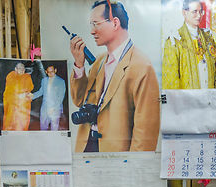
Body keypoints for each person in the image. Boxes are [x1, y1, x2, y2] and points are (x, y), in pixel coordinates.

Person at [69, 0, 161, 152]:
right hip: (87, 147)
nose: (92, 31)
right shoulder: (99, 62)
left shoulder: (142, 67)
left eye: (96, 24)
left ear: (115, 23)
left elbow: (145, 134)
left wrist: (133, 169)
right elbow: (80, 100)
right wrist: (79, 65)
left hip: (117, 156)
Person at [162, 0, 216, 90]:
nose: (199, 15)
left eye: (201, 11)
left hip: (210, 98)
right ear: (184, 13)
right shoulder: (174, 41)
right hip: (188, 100)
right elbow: (171, 79)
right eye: (195, 11)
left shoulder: (208, 38)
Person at [32, 62, 67, 130]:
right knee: (43, 128)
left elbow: (60, 98)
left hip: (55, 109)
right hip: (44, 109)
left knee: (54, 129)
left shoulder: (61, 81)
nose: (50, 73)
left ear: (55, 70)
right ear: (46, 72)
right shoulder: (44, 80)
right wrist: (31, 96)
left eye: (52, 71)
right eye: (48, 72)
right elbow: (41, 92)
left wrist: (53, 108)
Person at [2, 61, 34, 131]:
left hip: (23, 106)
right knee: (10, 123)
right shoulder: (11, 76)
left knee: (22, 124)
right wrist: (20, 94)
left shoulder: (27, 77)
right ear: (15, 69)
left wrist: (27, 94)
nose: (21, 70)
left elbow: (29, 88)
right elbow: (11, 90)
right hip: (12, 104)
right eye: (19, 68)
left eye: (23, 69)